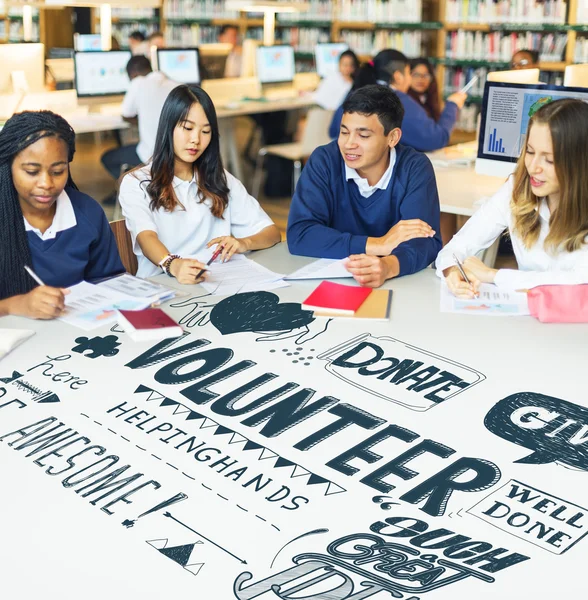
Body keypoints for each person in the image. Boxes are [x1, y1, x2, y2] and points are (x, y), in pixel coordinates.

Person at [119, 85, 281, 281]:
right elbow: (146, 238)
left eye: (205, 131)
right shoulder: (136, 183)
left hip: (218, 284)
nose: (196, 139)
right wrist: (174, 264)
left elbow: (271, 233)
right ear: (168, 127)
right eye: (187, 128)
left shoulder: (219, 178)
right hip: (164, 287)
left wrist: (243, 243)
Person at [287, 85, 442, 288]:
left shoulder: (414, 167)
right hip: (332, 280)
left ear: (392, 137)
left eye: (363, 135)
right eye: (344, 132)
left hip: (399, 283)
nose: (349, 144)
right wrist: (379, 244)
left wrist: (387, 266)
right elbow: (300, 234)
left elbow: (425, 241)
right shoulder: (324, 161)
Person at [437, 98, 588, 297]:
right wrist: (453, 271)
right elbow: (458, 246)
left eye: (549, 160)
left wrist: (493, 275)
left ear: (579, 163)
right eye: (530, 152)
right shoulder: (516, 189)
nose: (533, 167)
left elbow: (577, 282)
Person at [0, 111, 124, 319]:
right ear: (7, 167)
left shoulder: (87, 212)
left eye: (58, 171)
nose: (46, 184)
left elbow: (110, 281)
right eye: (32, 171)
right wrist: (17, 305)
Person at [329, 50, 466, 152]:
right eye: (408, 73)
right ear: (398, 76)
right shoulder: (396, 100)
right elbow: (435, 138)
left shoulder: (355, 92)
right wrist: (453, 105)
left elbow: (332, 131)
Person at [101, 56, 180, 182]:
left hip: (151, 155)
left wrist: (142, 120)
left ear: (133, 74)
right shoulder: (176, 85)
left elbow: (126, 114)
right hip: (177, 156)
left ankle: (139, 187)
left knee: (107, 158)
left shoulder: (138, 82)